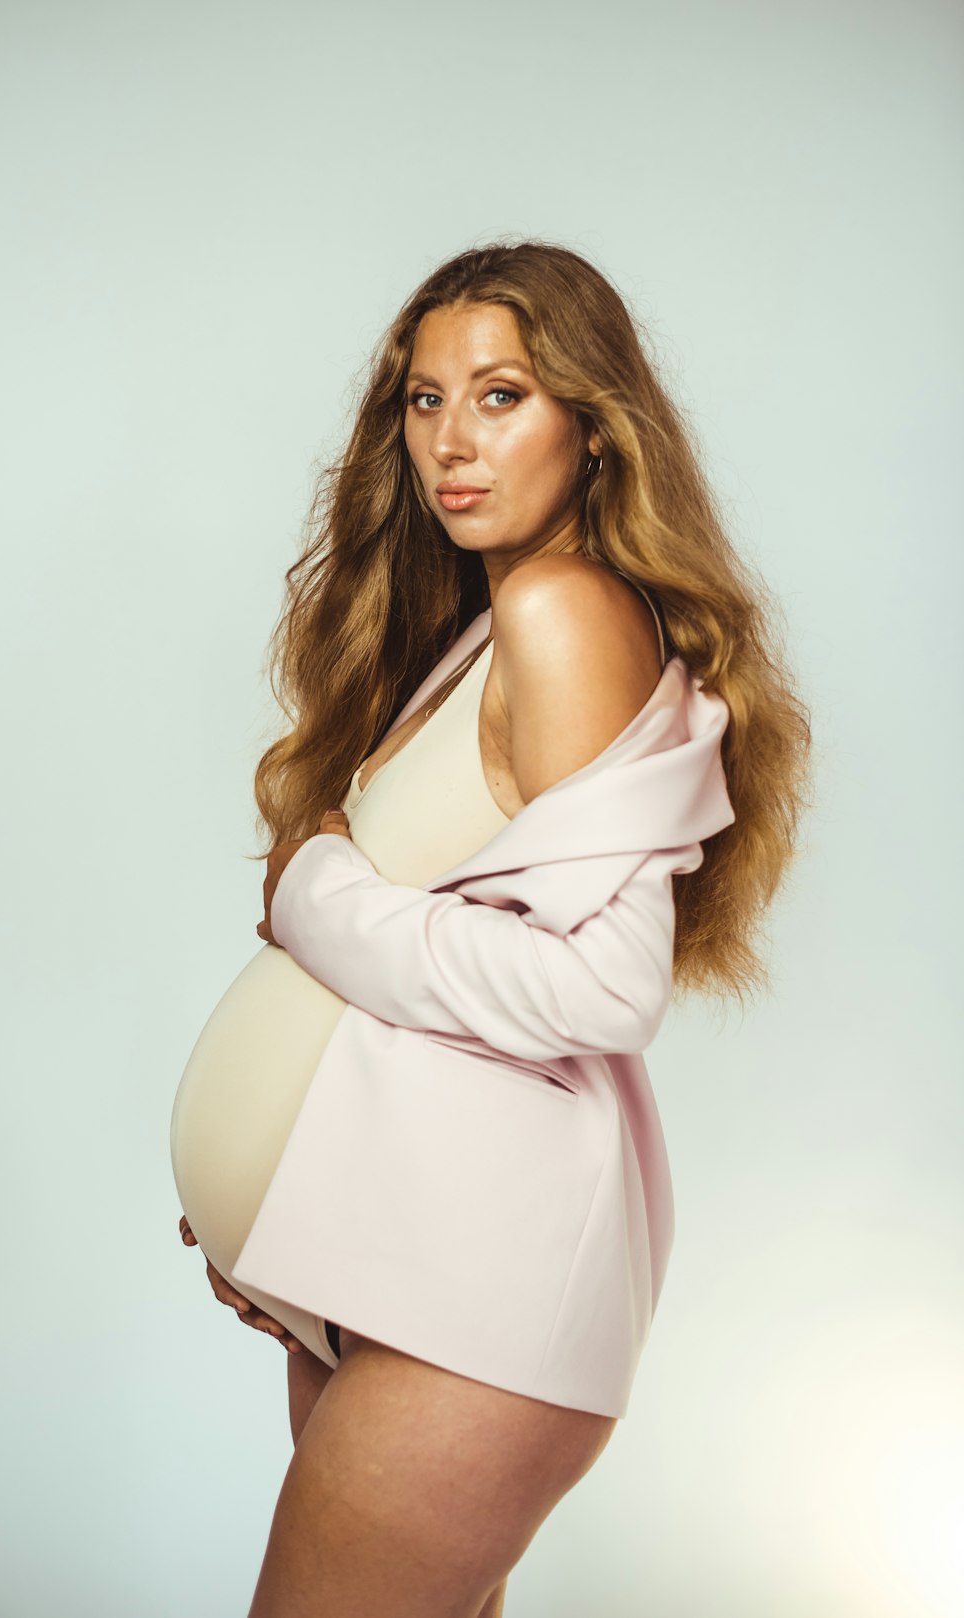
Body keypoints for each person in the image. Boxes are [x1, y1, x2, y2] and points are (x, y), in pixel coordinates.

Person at [171, 239, 812, 1617]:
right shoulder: (491, 618)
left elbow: (603, 987)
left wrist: (317, 898)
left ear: (594, 422)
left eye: (503, 394)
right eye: (423, 399)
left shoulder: (560, 607)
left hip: (475, 1295)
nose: (452, 441)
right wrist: (276, 1214)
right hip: (399, 1260)